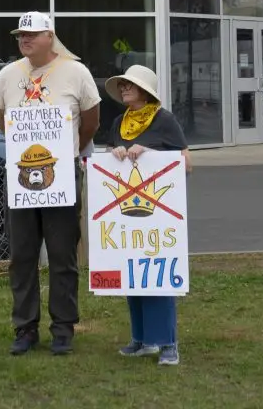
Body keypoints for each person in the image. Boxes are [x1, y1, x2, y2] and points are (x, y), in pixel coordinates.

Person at [0, 11, 101, 356]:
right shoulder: (8, 75)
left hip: (62, 176)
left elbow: (91, 121)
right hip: (21, 177)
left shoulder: (76, 72)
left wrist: (69, 151)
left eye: (32, 34)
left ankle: (63, 327)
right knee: (22, 255)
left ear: (49, 36)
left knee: (62, 253)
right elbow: (2, 118)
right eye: (20, 35)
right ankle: (25, 327)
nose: (24, 39)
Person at [105, 64, 192, 367]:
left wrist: (150, 154)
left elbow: (185, 162)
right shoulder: (118, 122)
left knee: (159, 275)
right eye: (122, 85)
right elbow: (109, 163)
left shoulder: (164, 120)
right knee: (132, 275)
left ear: (145, 91)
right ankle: (141, 339)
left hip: (158, 214)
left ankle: (168, 343)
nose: (124, 88)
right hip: (126, 216)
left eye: (130, 84)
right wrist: (115, 153)